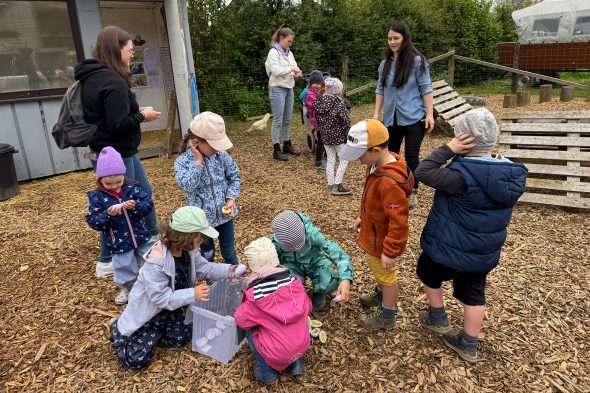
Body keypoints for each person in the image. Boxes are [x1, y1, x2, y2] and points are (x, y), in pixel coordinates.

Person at [414, 108, 527, 364]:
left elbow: (422, 171)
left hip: (447, 249)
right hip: (482, 253)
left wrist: (448, 149)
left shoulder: (460, 177)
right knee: (474, 294)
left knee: (427, 273)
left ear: (463, 139)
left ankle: (437, 317)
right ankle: (468, 343)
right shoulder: (508, 173)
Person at [75, 25, 162, 278]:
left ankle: (112, 259)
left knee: (117, 202)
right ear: (117, 49)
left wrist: (134, 112)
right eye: (129, 49)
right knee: (128, 201)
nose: (132, 54)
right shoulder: (113, 82)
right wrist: (142, 116)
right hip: (119, 154)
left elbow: (109, 117)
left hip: (105, 153)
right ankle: (147, 247)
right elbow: (118, 124)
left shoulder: (91, 78)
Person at [109, 206, 240, 368]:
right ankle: (118, 329)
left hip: (172, 308)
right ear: (186, 236)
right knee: (136, 360)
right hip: (150, 314)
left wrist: (229, 270)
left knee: (181, 338)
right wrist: (193, 294)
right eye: (200, 236)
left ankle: (159, 332)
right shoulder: (156, 263)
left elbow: (206, 268)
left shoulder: (189, 251)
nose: (203, 240)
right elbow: (160, 298)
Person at [339, 119, 414, 330]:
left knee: (387, 276)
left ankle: (387, 314)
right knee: (379, 272)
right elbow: (377, 204)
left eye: (359, 154)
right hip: (373, 233)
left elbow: (398, 221)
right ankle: (380, 294)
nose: (357, 160)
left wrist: (390, 251)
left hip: (382, 241)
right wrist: (365, 218)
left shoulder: (389, 182)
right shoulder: (375, 165)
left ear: (376, 149)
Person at [372, 21, 434, 209]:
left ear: (405, 39)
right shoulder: (385, 64)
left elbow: (426, 89)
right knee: (390, 154)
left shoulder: (417, 61)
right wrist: (376, 114)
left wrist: (430, 114)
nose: (392, 42)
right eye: (390, 38)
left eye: (396, 38)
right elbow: (380, 89)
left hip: (415, 116)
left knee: (412, 155)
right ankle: (391, 187)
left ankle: (412, 191)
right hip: (392, 117)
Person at [235, 237, 312, 385]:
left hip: (276, 352)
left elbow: (241, 320)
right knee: (295, 327)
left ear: (253, 268)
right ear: (276, 260)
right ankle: (295, 364)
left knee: (250, 330)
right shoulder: (295, 283)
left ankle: (267, 373)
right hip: (302, 344)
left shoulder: (256, 297)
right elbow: (308, 306)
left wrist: (244, 304)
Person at [86, 147, 154, 304]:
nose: (115, 186)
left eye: (119, 182)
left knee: (149, 259)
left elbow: (148, 205)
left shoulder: (133, 189)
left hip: (141, 235)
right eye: (109, 183)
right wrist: (108, 215)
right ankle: (128, 287)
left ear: (124, 176)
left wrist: (135, 206)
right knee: (124, 265)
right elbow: (93, 221)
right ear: (100, 180)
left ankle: (150, 283)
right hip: (118, 241)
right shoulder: (97, 197)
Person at [174, 111, 241, 265]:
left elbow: (234, 177)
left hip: (225, 216)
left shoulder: (221, 156)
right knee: (207, 255)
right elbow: (187, 186)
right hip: (201, 221)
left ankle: (236, 278)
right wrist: (198, 163)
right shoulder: (182, 162)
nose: (218, 149)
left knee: (230, 253)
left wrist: (231, 199)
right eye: (214, 145)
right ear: (196, 143)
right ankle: (210, 283)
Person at [270, 210, 354, 312]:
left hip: (315, 262)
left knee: (329, 281)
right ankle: (297, 293)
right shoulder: (275, 241)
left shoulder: (313, 234)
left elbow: (340, 256)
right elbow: (269, 263)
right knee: (287, 285)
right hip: (292, 265)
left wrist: (346, 279)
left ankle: (319, 292)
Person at [265, 25, 303, 161]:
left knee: (287, 119)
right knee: (277, 121)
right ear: (281, 38)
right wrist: (291, 69)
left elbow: (294, 65)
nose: (290, 44)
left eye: (291, 42)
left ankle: (287, 145)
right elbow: (275, 70)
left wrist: (297, 71)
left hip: (289, 88)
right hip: (277, 89)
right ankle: (276, 150)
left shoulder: (289, 52)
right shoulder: (273, 53)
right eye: (289, 41)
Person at [313, 77, 352, 195]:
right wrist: (348, 134)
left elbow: (318, 121)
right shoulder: (339, 104)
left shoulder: (319, 102)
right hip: (338, 137)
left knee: (330, 160)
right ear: (338, 90)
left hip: (325, 137)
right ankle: (337, 185)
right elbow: (345, 121)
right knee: (344, 159)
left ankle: (330, 185)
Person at [302, 70, 327, 170]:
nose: (317, 85)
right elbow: (316, 104)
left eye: (319, 83)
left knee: (324, 139)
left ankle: (325, 157)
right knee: (321, 140)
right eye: (315, 83)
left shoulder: (318, 91)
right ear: (311, 84)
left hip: (322, 118)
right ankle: (318, 162)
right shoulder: (309, 94)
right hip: (317, 119)